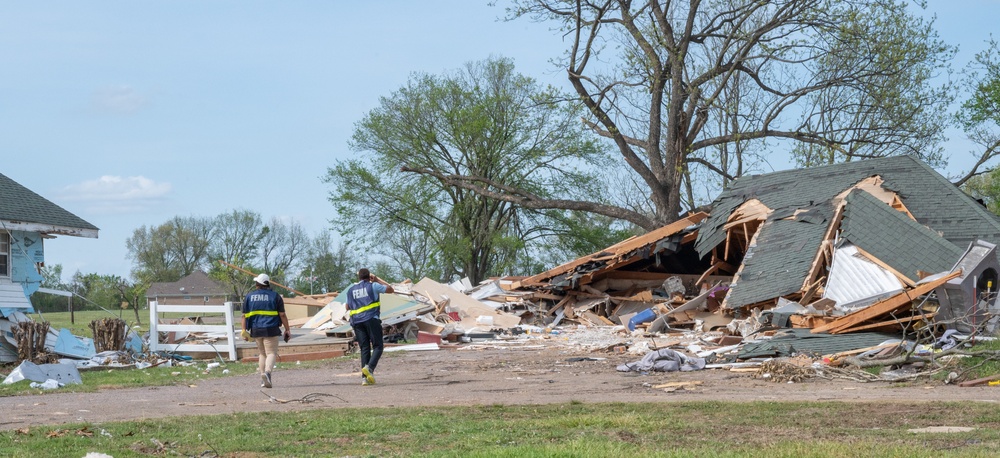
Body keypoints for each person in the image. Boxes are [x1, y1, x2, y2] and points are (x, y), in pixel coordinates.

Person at [345, 268, 394, 386]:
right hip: (371, 319)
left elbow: (347, 307)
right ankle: (370, 368)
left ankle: (365, 379)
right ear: (369, 276)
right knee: (378, 346)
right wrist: (377, 279)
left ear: (359, 277)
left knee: (365, 348)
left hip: (356, 322)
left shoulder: (351, 290)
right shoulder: (374, 286)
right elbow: (391, 290)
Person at [242, 273, 290, 389]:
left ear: (258, 284)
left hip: (256, 329)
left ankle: (263, 380)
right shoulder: (275, 296)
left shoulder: (249, 297)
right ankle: (267, 373)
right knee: (271, 353)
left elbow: (244, 316)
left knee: (262, 354)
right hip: (271, 329)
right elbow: (282, 314)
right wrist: (287, 329)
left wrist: (244, 331)